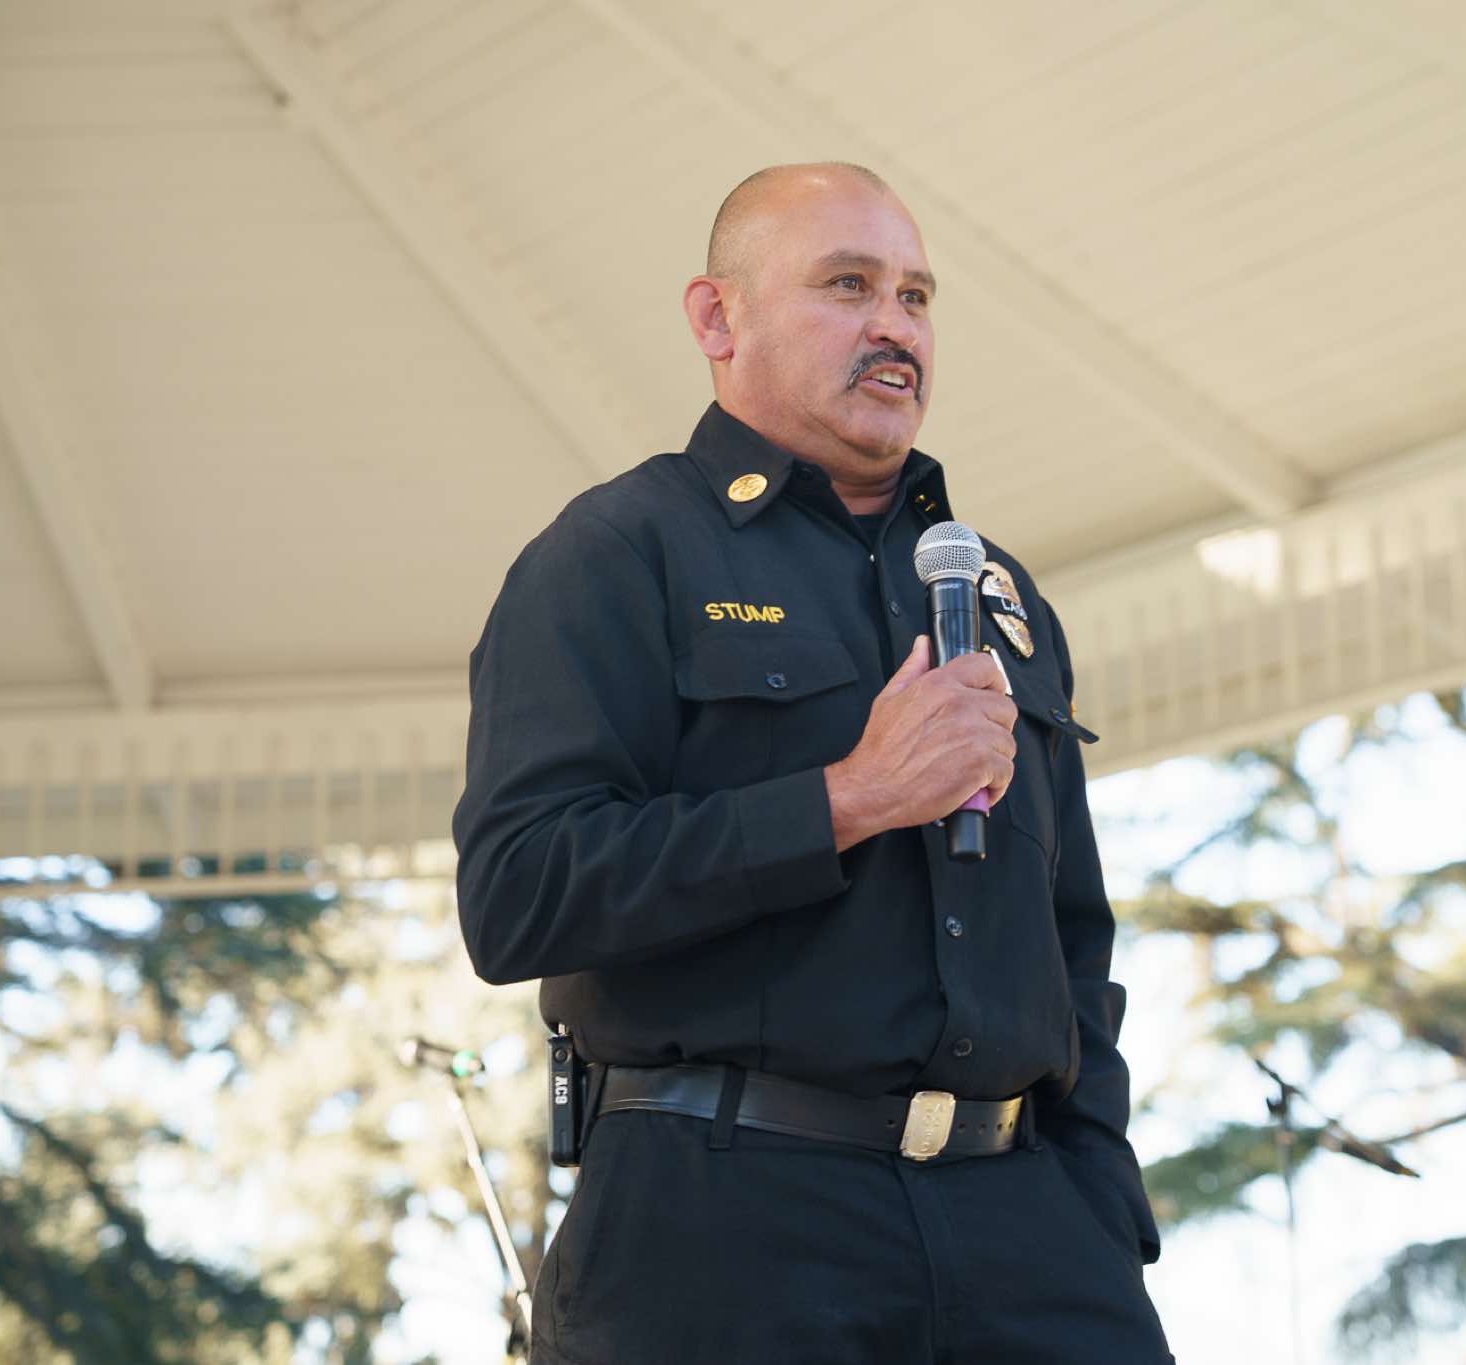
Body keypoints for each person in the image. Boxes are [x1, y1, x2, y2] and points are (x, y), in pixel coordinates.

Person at [453, 162, 1173, 1364]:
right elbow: (518, 894)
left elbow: (1071, 942)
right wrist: (849, 799)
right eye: (847, 285)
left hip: (1031, 1234)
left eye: (915, 296)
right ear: (716, 318)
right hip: (729, 1229)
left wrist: (1101, 1210)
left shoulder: (995, 594)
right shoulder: (620, 551)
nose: (895, 326)